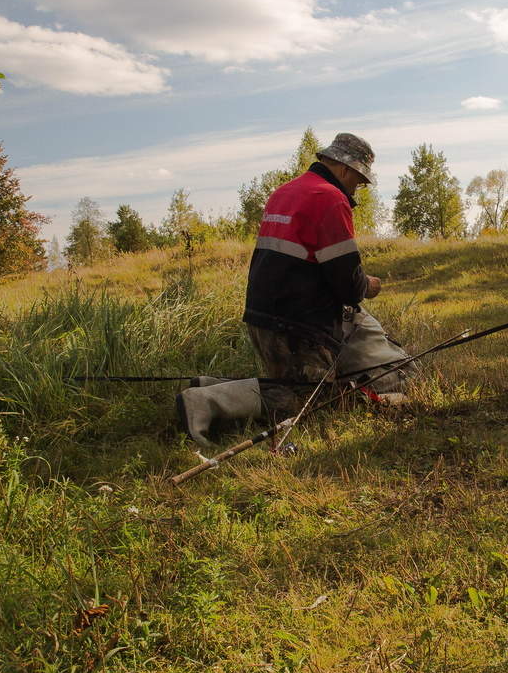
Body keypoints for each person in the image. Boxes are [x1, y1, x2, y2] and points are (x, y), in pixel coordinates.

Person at [175, 132, 412, 447]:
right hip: (298, 327)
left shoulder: (285, 191)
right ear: (344, 169)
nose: (359, 188)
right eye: (359, 180)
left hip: (263, 318)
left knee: (291, 385)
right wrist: (369, 285)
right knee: (312, 400)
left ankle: (209, 386)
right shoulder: (330, 198)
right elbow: (347, 285)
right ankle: (205, 402)